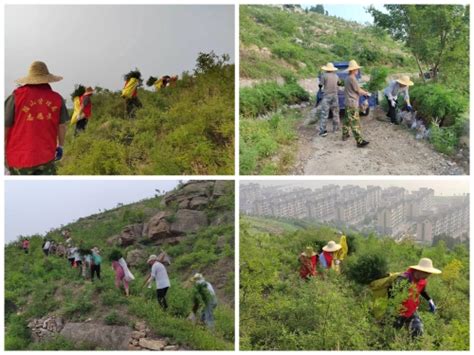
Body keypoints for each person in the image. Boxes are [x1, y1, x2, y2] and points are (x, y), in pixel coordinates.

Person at [5, 61, 69, 175]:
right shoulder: (57, 99)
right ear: (47, 79)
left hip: (19, 159)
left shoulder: (15, 97)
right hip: (46, 158)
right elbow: (62, 126)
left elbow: (5, 126)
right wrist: (61, 146)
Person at [390, 258, 441, 338]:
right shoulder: (404, 279)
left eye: (430, 273)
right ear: (420, 271)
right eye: (427, 273)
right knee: (392, 334)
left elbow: (422, 291)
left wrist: (430, 300)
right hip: (398, 312)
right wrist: (394, 312)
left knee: (417, 332)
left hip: (412, 311)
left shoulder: (422, 280)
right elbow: (391, 294)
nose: (429, 275)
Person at [343, 60, 370, 147]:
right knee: (355, 122)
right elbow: (358, 90)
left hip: (347, 102)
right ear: (354, 70)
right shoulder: (352, 78)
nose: (358, 70)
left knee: (347, 120)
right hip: (352, 102)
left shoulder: (347, 78)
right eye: (357, 69)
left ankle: (345, 134)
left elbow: (355, 89)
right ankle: (359, 141)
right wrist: (366, 93)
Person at [317, 63, 340, 136]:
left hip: (327, 96)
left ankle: (323, 131)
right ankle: (335, 129)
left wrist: (320, 89)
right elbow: (338, 84)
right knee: (335, 112)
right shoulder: (336, 76)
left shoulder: (324, 75)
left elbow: (321, 85)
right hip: (335, 95)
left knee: (324, 113)